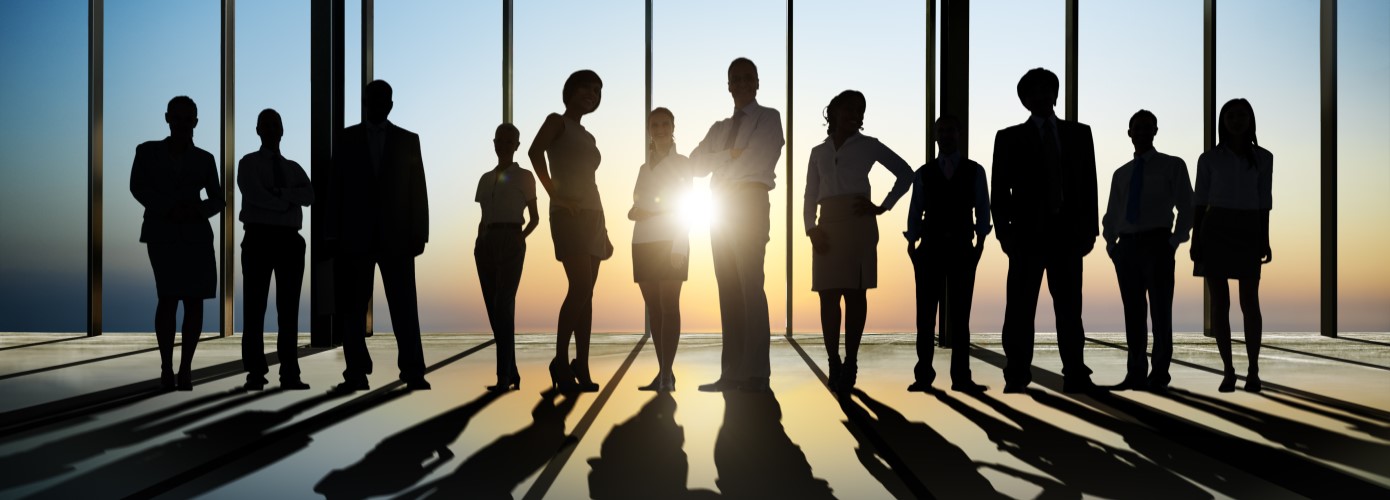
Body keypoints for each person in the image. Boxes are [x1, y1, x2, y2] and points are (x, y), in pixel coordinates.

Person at [991, 68, 1099, 394]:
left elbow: (1088, 185)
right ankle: (1017, 372)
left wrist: (1089, 231)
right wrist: (1005, 235)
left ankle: (1075, 372)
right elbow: (999, 191)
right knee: (1021, 309)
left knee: (1069, 310)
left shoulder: (1079, 134)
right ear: (1024, 100)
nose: (1039, 97)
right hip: (1025, 237)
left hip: (1067, 236)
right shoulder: (1009, 137)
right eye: (1032, 93)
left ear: (1055, 94)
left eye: (1044, 90)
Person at [803, 90, 912, 392]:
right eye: (850, 108)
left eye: (861, 109)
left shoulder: (869, 146)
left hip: (858, 224)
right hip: (827, 224)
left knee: (855, 294)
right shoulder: (818, 151)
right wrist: (810, 228)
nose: (856, 114)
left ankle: (850, 361)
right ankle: (833, 360)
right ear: (834, 112)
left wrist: (883, 206)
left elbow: (906, 174)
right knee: (827, 296)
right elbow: (810, 193)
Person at [689, 58, 785, 393]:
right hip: (720, 207)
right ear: (728, 85)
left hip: (749, 203)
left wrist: (723, 159)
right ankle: (731, 373)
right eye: (735, 79)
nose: (742, 83)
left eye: (748, 78)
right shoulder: (718, 129)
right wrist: (728, 155)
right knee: (728, 289)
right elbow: (693, 165)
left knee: (749, 286)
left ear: (757, 83)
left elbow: (755, 160)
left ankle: (757, 372)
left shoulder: (769, 118)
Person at [328, 80, 431, 391]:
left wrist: (420, 234)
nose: (379, 104)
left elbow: (418, 189)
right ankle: (356, 372)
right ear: (367, 102)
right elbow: (335, 188)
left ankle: (412, 371)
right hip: (355, 237)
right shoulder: (346, 139)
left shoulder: (407, 140)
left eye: (384, 99)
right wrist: (332, 233)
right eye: (375, 98)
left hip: (396, 237)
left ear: (390, 104)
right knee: (353, 309)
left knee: (403, 307)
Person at [130, 95, 225, 391]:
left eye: (188, 119)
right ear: (168, 118)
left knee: (194, 302)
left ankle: (185, 369)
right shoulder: (146, 152)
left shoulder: (205, 159)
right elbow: (137, 187)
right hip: (162, 234)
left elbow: (218, 199)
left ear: (195, 122)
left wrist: (194, 210)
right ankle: (166, 368)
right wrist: (168, 209)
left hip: (196, 236)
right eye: (178, 117)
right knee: (168, 297)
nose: (183, 124)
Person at [529, 69, 609, 392]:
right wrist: (555, 195)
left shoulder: (589, 136)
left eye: (597, 91)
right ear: (571, 91)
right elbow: (535, 153)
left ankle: (582, 366)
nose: (592, 94)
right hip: (568, 215)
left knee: (587, 294)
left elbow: (591, 182)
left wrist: (605, 230)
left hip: (594, 216)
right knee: (579, 287)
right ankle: (560, 361)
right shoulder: (556, 121)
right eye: (586, 89)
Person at [1101, 110, 1193, 393]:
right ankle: (1136, 373)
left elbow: (1187, 206)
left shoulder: (1172, 166)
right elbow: (1113, 212)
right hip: (1126, 247)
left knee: (1161, 312)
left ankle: (1160, 373)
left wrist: (1174, 240)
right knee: (1133, 313)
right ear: (1129, 133)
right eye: (1136, 128)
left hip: (1157, 244)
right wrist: (1111, 244)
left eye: (1146, 128)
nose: (1140, 133)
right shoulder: (1122, 173)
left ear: (1155, 131)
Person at [904, 115, 991, 393]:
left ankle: (961, 376)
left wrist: (980, 241)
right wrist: (913, 241)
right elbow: (915, 209)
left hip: (962, 247)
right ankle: (924, 375)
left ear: (959, 134)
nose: (946, 135)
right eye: (941, 130)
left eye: (950, 130)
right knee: (925, 315)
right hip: (930, 247)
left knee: (960, 316)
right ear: (935, 135)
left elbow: (982, 206)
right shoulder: (924, 172)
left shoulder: (975, 171)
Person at [1191, 98, 1272, 393]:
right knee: (1220, 304)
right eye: (1230, 115)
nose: (1236, 120)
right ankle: (1228, 370)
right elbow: (1199, 202)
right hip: (1215, 228)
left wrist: (1265, 238)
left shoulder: (1264, 158)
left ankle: (1253, 370)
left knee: (1250, 302)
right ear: (1222, 121)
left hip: (1248, 228)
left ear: (1250, 120)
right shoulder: (1209, 159)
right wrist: (1196, 240)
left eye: (1241, 115)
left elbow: (1265, 203)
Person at [237, 108, 314, 391]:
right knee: (255, 307)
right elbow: (254, 195)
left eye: (274, 125)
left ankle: (289, 372)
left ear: (282, 130)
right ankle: (255, 372)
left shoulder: (293, 168)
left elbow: (310, 195)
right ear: (258, 130)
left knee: (289, 309)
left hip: (290, 241)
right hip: (259, 238)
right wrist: (286, 202)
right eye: (265, 125)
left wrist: (279, 193)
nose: (270, 129)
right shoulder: (248, 163)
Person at [630, 107, 692, 392]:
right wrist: (638, 210)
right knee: (654, 308)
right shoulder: (644, 167)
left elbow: (685, 204)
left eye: (665, 123)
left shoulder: (682, 163)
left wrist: (679, 243)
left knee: (669, 306)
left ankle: (667, 374)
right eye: (655, 124)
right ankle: (664, 372)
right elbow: (638, 202)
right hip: (643, 241)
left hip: (671, 240)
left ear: (673, 126)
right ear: (649, 129)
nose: (660, 128)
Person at [476, 123, 539, 392]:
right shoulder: (485, 178)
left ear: (516, 145)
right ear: (494, 143)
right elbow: (482, 217)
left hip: (511, 239)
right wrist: (480, 242)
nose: (503, 145)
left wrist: (519, 238)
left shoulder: (525, 176)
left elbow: (535, 218)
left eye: (508, 141)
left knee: (503, 305)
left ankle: (504, 375)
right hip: (486, 242)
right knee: (494, 307)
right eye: (499, 140)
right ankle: (510, 370)